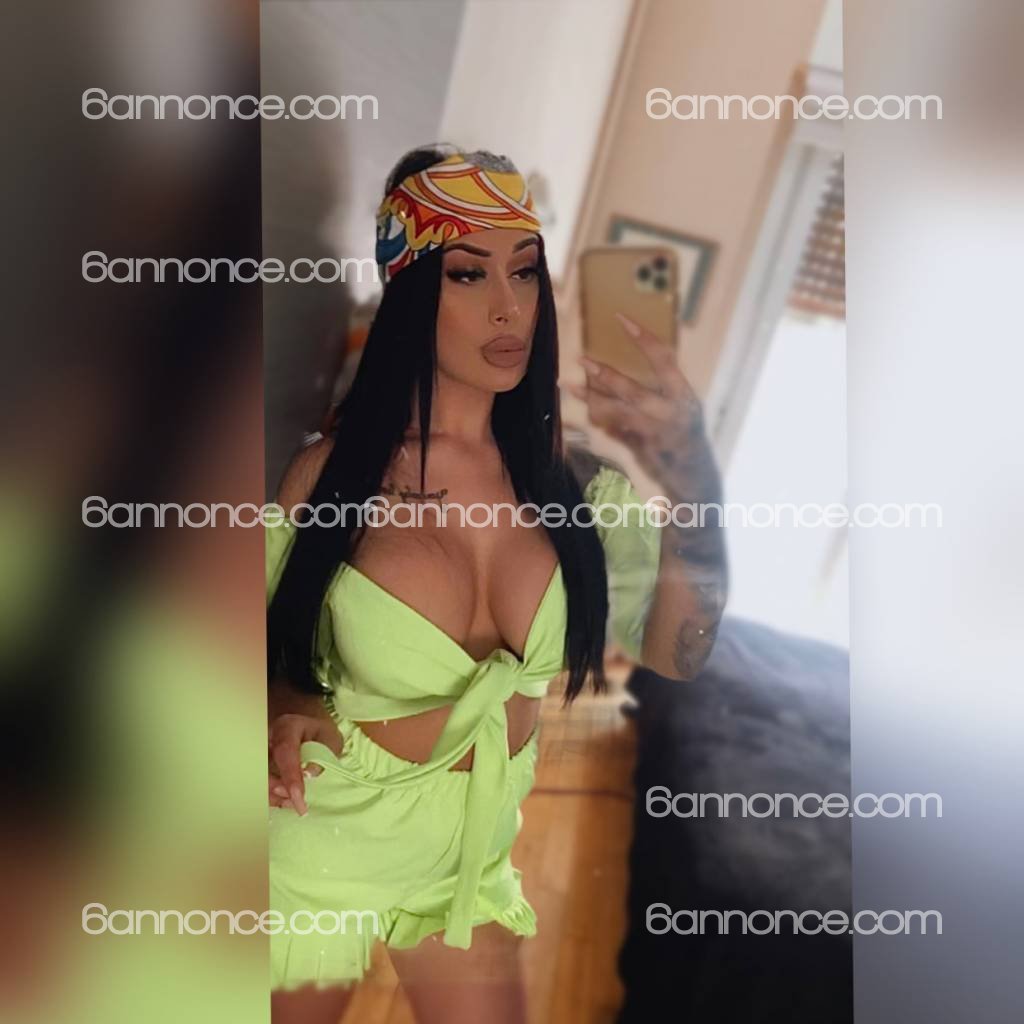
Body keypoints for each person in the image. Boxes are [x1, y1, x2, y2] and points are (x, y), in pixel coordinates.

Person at [266, 145, 728, 1024]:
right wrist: (285, 707)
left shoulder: (581, 491)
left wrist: (694, 481)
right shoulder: (331, 478)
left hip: (471, 859)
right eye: (469, 275)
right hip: (327, 838)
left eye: (525, 270)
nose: (509, 306)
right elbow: (254, 642)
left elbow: (680, 652)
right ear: (410, 293)